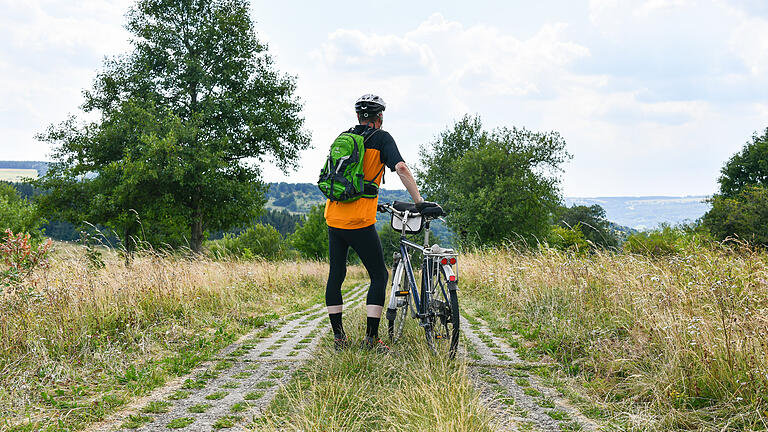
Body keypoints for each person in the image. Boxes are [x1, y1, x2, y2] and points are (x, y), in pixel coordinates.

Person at [324, 94, 425, 351]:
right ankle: (371, 339)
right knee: (379, 275)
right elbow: (400, 168)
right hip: (359, 221)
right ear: (380, 117)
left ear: (358, 117)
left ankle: (339, 338)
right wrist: (419, 200)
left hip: (334, 217)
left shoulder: (344, 138)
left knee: (336, 274)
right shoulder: (382, 138)